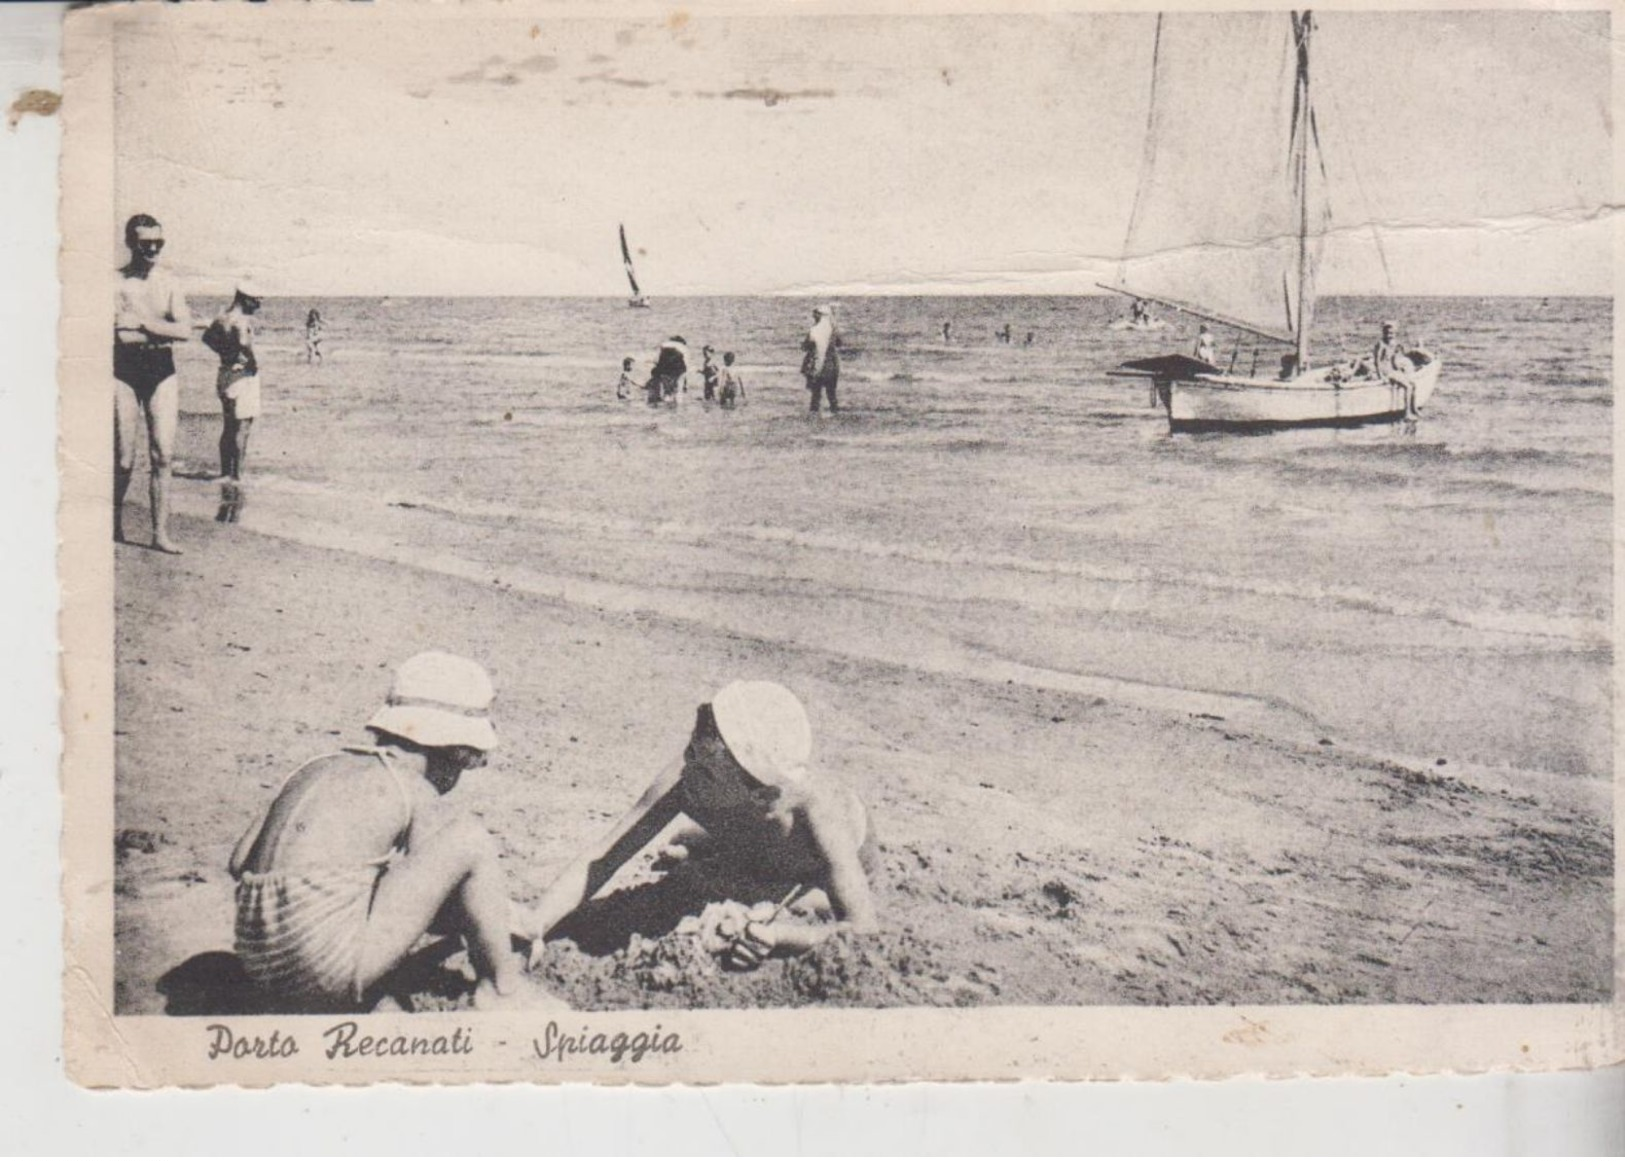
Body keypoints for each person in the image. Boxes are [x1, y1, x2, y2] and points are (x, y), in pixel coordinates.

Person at [230, 652, 544, 1013]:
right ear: (454, 751)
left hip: (257, 962)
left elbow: (240, 862)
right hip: (325, 973)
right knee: (469, 839)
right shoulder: (412, 786)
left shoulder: (316, 768)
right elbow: (443, 898)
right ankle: (502, 989)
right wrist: (501, 922)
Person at [526, 681, 879, 970]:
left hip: (809, 873)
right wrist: (535, 925)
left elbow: (862, 928)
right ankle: (702, 842)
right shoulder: (694, 772)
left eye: (706, 768)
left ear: (759, 792)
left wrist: (783, 937)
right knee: (720, 868)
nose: (687, 769)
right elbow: (603, 857)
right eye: (691, 751)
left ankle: (701, 844)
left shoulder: (818, 810)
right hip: (748, 838)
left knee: (745, 896)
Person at [114, 213, 192, 554]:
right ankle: (114, 524)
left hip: (163, 372)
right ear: (132, 243)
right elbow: (122, 337)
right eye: (146, 243)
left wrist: (144, 324)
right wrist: (160, 329)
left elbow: (185, 330)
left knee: (164, 455)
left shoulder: (170, 282)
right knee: (123, 459)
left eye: (159, 242)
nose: (153, 249)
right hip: (124, 373)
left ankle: (160, 534)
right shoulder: (115, 283)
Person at [203, 282, 263, 482]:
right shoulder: (242, 321)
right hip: (242, 376)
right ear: (245, 298)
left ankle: (225, 473)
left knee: (229, 426)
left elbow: (207, 338)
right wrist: (252, 363)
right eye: (257, 300)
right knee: (243, 427)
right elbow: (244, 343)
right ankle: (237, 476)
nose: (259, 304)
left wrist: (226, 354)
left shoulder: (222, 317)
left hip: (225, 374)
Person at [801, 305, 841, 415]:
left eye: (815, 314)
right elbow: (839, 343)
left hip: (817, 363)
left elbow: (805, 346)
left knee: (816, 393)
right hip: (831, 364)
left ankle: (814, 415)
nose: (813, 316)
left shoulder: (814, 330)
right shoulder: (833, 330)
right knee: (831, 392)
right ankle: (835, 413)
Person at [649, 336, 688, 406]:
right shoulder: (682, 347)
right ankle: (678, 409)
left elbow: (656, 361)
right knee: (678, 391)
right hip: (679, 369)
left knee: (667, 392)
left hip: (665, 369)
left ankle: (667, 411)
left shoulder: (664, 346)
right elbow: (686, 364)